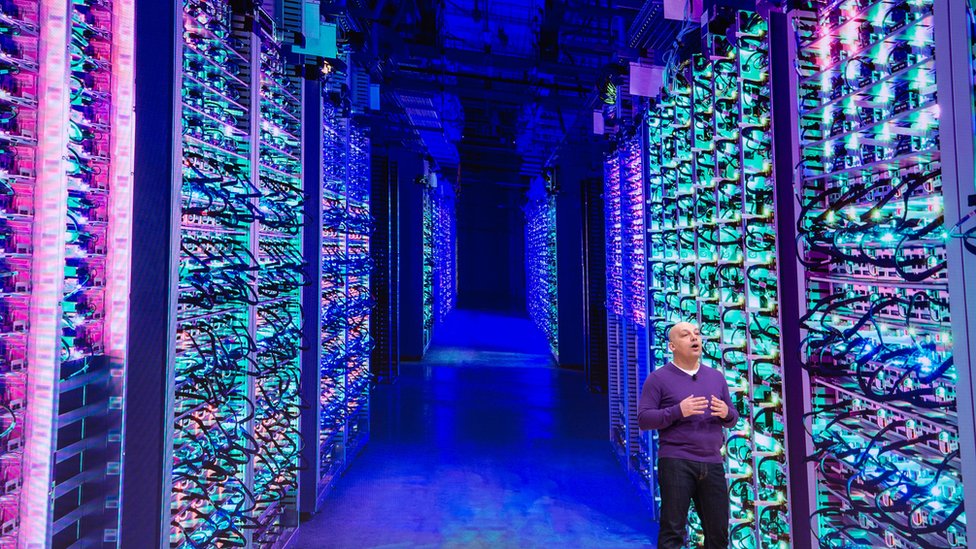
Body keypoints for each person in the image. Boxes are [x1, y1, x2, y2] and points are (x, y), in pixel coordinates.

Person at [638, 321, 738, 549]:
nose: (694, 338)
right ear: (672, 346)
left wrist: (726, 413)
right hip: (676, 461)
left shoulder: (716, 377)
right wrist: (677, 411)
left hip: (712, 463)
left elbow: (733, 417)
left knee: (718, 534)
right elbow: (644, 419)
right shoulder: (658, 379)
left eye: (696, 334)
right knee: (673, 531)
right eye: (685, 335)